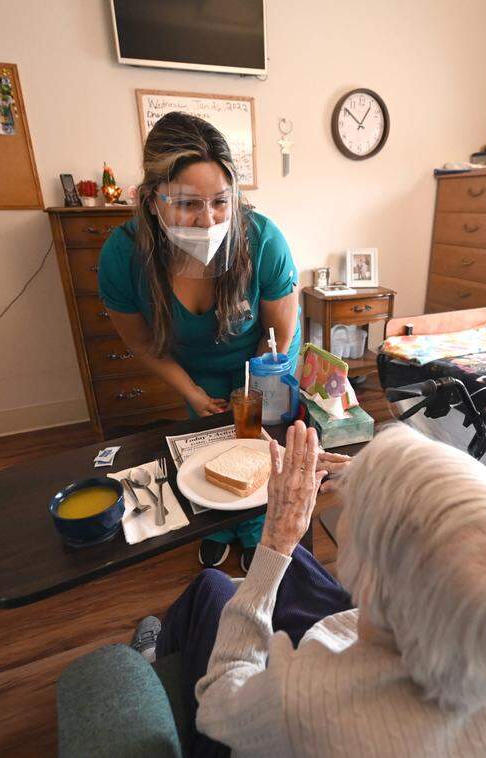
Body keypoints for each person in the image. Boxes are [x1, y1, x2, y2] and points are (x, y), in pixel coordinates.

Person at [134, 422, 486, 757]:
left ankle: (155, 655)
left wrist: (277, 545)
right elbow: (450, 548)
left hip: (256, 721)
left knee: (214, 586)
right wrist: (369, 477)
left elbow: (220, 704)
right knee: (307, 582)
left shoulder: (302, 697)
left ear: (379, 588)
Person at [98, 111, 300, 570]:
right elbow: (144, 343)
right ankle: (219, 523)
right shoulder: (122, 255)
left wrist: (255, 388)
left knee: (256, 437)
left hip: (262, 355)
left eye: (220, 202)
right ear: (151, 200)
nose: (208, 220)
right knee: (207, 439)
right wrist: (192, 391)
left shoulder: (262, 239)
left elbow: (278, 336)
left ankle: (256, 529)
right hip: (194, 364)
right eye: (187, 203)